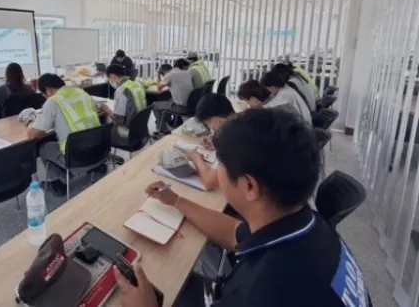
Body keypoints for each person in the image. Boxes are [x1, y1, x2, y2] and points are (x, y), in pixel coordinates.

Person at [115, 108, 371, 307]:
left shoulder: (259, 292)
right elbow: (235, 232)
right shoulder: (307, 226)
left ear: (249, 186)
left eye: (220, 165)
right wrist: (176, 201)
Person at [27, 74, 101, 196]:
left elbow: (33, 135)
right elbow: (99, 107)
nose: (46, 98)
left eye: (44, 95)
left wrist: (31, 124)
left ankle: (58, 182)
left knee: (42, 147)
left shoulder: (53, 101)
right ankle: (68, 174)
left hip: (76, 156)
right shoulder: (81, 93)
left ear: (48, 90)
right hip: (98, 149)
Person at [182, 94, 235, 190]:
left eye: (207, 125)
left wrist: (196, 159)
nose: (210, 129)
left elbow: (210, 183)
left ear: (215, 121)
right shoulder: (241, 120)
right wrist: (216, 143)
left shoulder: (231, 139)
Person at [99, 64, 147, 148]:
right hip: (141, 130)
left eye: (109, 79)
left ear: (112, 76)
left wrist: (107, 110)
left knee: (101, 131)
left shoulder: (122, 90)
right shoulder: (137, 84)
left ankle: (103, 153)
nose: (110, 82)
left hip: (128, 133)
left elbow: (120, 121)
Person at [152, 59, 194, 135]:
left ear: (164, 72)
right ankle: (166, 121)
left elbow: (158, 87)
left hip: (182, 108)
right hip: (191, 105)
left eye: (163, 74)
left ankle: (162, 130)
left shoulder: (170, 75)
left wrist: (158, 74)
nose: (163, 76)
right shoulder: (187, 73)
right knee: (168, 100)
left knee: (155, 105)